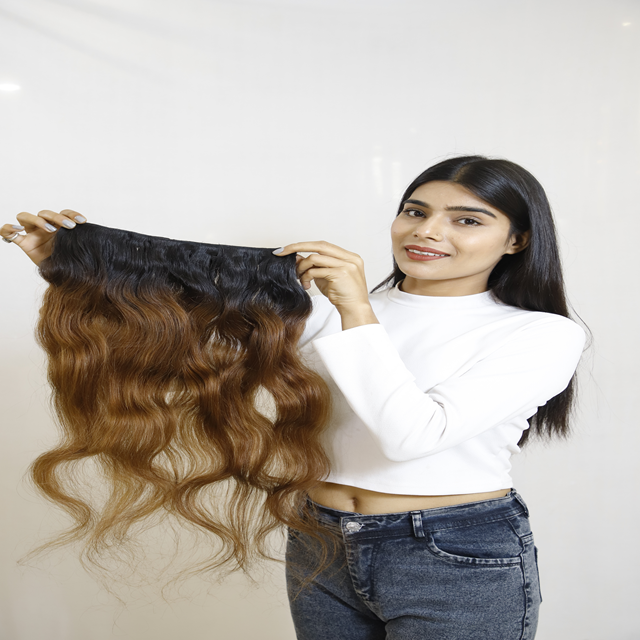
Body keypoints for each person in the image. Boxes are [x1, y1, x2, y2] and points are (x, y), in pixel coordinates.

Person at [2, 155, 585, 640]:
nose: (428, 231)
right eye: (415, 211)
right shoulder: (333, 310)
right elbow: (182, 347)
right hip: (320, 540)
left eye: (467, 220)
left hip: (453, 553)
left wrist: (356, 308)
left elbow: (412, 435)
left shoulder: (541, 334)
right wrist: (70, 269)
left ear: (517, 239)